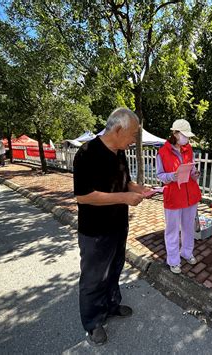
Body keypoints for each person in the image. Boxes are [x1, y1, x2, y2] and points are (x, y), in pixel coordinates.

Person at [73, 107, 150, 345]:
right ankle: (93, 322)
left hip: (118, 224)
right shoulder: (87, 153)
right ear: (118, 129)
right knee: (94, 277)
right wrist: (124, 198)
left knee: (115, 268)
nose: (133, 140)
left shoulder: (118, 152)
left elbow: (124, 182)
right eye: (132, 134)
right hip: (95, 230)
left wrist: (137, 189)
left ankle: (111, 305)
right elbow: (84, 196)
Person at [156, 119, 202, 274]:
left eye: (187, 136)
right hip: (174, 196)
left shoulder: (188, 149)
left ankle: (187, 253)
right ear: (174, 133)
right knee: (172, 230)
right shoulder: (162, 152)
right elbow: (160, 175)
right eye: (183, 135)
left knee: (188, 228)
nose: (186, 139)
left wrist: (195, 174)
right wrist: (171, 176)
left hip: (190, 195)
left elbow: (192, 169)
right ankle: (174, 261)